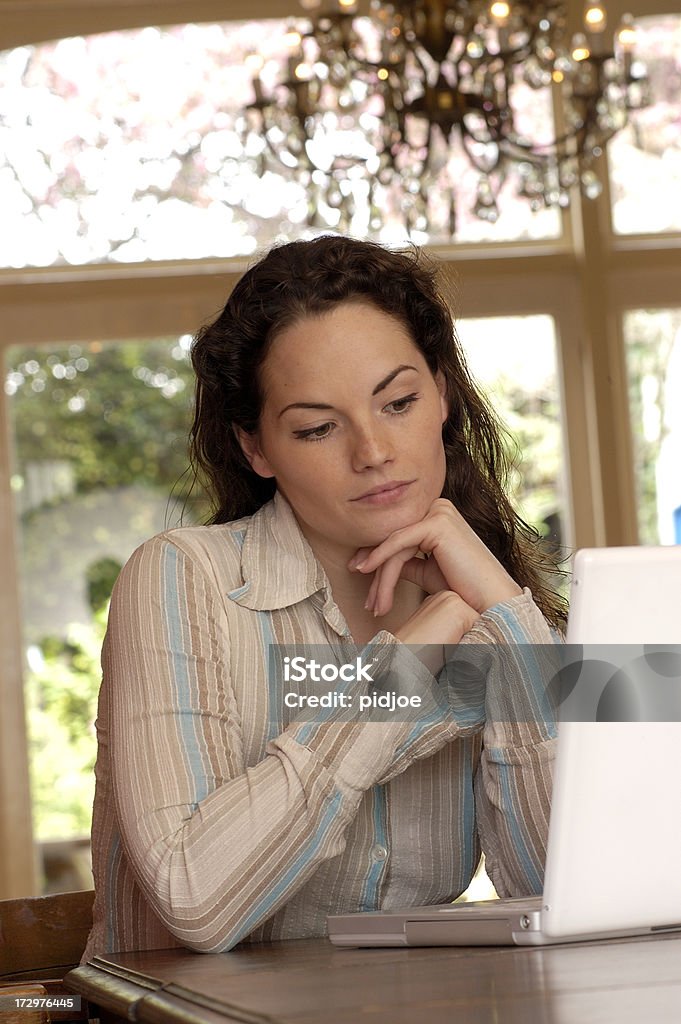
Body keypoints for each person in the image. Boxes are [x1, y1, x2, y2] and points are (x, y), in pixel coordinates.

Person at [84, 235, 565, 958]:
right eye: (316, 427)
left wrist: (503, 612)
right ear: (256, 449)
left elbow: (562, 890)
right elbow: (197, 903)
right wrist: (406, 659)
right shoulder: (183, 579)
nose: (372, 451)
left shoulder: (486, 607)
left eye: (397, 401)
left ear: (441, 394)